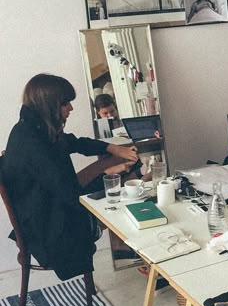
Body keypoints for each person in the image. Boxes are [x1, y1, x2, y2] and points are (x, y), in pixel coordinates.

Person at [3, 74, 138, 280]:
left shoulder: (30, 128)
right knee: (130, 189)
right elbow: (71, 195)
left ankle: (129, 247)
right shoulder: (34, 146)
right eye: (65, 103)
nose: (71, 109)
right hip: (53, 228)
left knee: (121, 171)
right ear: (48, 105)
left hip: (46, 210)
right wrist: (110, 172)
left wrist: (112, 148)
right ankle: (140, 250)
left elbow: (73, 142)